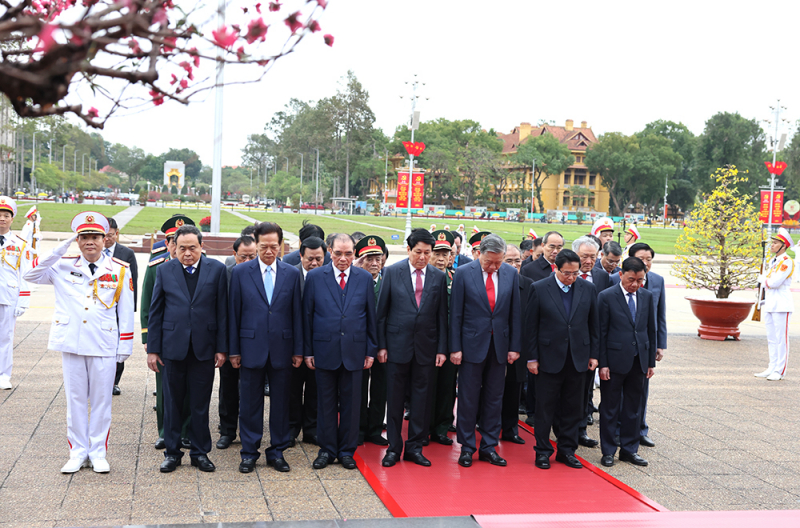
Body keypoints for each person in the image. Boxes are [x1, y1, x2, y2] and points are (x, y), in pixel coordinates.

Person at [24, 212, 134, 473]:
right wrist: (59, 249)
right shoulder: (62, 265)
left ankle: (97, 452)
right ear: (77, 239)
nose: (90, 242)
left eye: (95, 237)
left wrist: (124, 347)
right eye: (84, 237)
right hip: (72, 342)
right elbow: (29, 275)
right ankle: (77, 452)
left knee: (101, 402)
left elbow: (126, 311)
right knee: (75, 400)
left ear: (104, 239)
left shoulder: (119, 269)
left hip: (103, 343)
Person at [148, 225, 228, 473]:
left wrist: (222, 348)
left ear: (201, 247)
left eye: (193, 248)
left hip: (204, 348)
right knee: (172, 402)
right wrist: (153, 349)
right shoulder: (164, 270)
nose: (187, 253)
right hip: (173, 348)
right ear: (174, 248)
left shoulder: (217, 270)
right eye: (182, 248)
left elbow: (222, 311)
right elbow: (156, 312)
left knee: (200, 404)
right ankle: (172, 453)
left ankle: (200, 452)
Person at [229, 222, 303, 473]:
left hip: (283, 348)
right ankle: (249, 452)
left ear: (281, 245)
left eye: (274, 246)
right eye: (264, 246)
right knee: (249, 403)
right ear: (256, 244)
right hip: (250, 348)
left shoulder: (292, 274)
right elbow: (233, 314)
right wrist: (234, 350)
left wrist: (298, 350)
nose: (269, 251)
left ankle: (277, 451)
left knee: (281, 403)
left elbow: (297, 315)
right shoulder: (240, 273)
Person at [303, 233, 378, 470]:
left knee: (352, 404)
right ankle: (326, 450)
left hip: (355, 352)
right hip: (324, 350)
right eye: (338, 253)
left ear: (354, 253)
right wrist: (307, 351)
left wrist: (370, 350)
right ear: (329, 251)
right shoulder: (315, 277)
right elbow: (307, 316)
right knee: (324, 403)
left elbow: (370, 317)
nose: (343, 259)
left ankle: (346, 451)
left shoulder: (364, 278)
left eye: (348, 254)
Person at [377, 229, 448, 468]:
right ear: (409, 250)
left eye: (427, 253)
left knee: (422, 400)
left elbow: (441, 317)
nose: (423, 257)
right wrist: (382, 346)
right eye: (418, 252)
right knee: (395, 400)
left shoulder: (438, 277)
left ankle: (415, 447)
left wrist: (441, 349)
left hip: (426, 348)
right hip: (397, 346)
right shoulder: (391, 272)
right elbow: (382, 314)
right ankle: (394, 448)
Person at [450, 234, 521, 467]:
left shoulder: (510, 273)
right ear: (479, 253)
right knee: (469, 398)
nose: (494, 267)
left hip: (499, 346)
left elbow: (515, 314)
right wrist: (455, 348)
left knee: (494, 398)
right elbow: (456, 315)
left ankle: (489, 446)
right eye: (489, 262)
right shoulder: (463, 273)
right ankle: (467, 447)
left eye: (498, 262)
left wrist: (514, 347)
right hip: (470, 346)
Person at [526, 249, 599, 470]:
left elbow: (594, 325)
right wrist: (532, 358)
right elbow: (531, 327)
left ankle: (567, 450)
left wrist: (594, 354)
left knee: (573, 408)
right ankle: (542, 451)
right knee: (545, 408)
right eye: (567, 273)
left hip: (578, 358)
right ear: (556, 269)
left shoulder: (588, 288)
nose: (572, 277)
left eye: (576, 273)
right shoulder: (539, 289)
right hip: (548, 358)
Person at [141, 215, 195, 450]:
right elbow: (146, 305)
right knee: (165, 389)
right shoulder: (156, 267)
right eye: (173, 241)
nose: (177, 246)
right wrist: (147, 339)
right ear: (167, 243)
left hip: (193, 340)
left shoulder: (201, 266)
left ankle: (187, 431)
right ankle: (165, 431)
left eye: (181, 241)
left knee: (191, 390)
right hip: (165, 339)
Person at [597, 257, 656, 468]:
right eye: (632, 279)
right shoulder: (606, 297)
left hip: (639, 360)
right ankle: (609, 450)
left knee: (634, 407)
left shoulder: (647, 296)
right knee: (610, 408)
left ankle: (629, 449)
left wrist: (650, 362)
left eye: (640, 280)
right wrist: (602, 363)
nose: (635, 284)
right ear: (621, 275)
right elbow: (601, 333)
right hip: (613, 361)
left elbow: (651, 329)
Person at [612, 242, 666, 446]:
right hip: (620, 347)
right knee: (618, 393)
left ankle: (639, 429)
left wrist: (659, 344)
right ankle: (617, 429)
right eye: (641, 259)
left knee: (641, 391)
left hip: (643, 348)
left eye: (649, 259)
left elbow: (660, 315)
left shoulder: (658, 281)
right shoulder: (614, 280)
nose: (646, 263)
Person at [216, 235, 257, 450]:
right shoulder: (227, 274)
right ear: (234, 255)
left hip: (256, 342)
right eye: (244, 257)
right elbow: (221, 312)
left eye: (253, 256)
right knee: (229, 388)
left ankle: (249, 432)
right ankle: (227, 431)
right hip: (231, 341)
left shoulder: (264, 274)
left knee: (252, 389)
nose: (249, 261)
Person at [288, 236, 327, 445]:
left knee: (315, 390)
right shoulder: (289, 275)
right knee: (292, 390)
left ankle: (311, 429)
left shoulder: (327, 276)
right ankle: (291, 429)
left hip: (319, 344)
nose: (314, 263)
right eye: (310, 258)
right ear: (300, 255)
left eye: (319, 259)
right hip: (293, 344)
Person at [572, 235, 609, 447]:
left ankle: (581, 429)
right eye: (584, 256)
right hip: (569, 342)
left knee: (586, 388)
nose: (588, 261)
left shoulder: (602, 277)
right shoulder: (566, 275)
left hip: (592, 343)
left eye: (593, 257)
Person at [354, 235, 389, 447]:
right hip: (359, 344)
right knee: (358, 388)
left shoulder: (389, 280)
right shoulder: (354, 281)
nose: (374, 263)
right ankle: (358, 429)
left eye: (378, 258)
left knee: (380, 388)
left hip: (384, 345)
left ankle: (375, 428)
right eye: (369, 258)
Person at [428, 230, 458, 445]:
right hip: (425, 342)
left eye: (445, 253)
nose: (440, 258)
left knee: (447, 387)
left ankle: (441, 427)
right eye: (436, 253)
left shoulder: (456, 279)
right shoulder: (420, 278)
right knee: (425, 387)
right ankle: (422, 427)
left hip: (448, 343)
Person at [500, 244, 532, 445]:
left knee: (514, 390)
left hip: (518, 348)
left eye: (517, 260)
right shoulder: (494, 282)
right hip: (494, 346)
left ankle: (510, 429)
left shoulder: (529, 285)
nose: (514, 265)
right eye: (508, 261)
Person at [103, 217, 139, 396]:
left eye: (110, 235)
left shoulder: (127, 253)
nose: (107, 239)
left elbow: (134, 281)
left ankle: (115, 381)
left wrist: (131, 308)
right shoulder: (94, 252)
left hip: (119, 306)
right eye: (104, 235)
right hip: (102, 306)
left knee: (119, 344)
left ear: (117, 234)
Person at [0, 197, 33, 390]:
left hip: (8, 296)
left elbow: (25, 272)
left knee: (5, 337)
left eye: (6, 216)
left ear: (12, 219)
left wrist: (23, 299)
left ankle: (3, 374)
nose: (2, 219)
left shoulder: (20, 243)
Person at [755, 228, 795, 381]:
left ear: (783, 246)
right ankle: (772, 366)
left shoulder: (786, 262)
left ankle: (780, 370)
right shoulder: (773, 261)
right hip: (771, 303)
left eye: (776, 243)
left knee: (781, 339)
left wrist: (763, 280)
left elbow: (775, 283)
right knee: (771, 338)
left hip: (782, 304)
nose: (772, 245)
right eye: (772, 242)